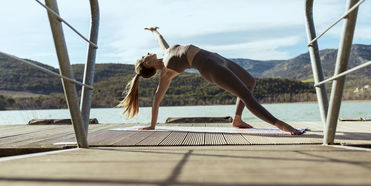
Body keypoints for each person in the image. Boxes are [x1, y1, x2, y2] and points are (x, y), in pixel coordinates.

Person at [118, 27, 303, 135]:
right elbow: (156, 99)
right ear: (148, 63)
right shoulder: (166, 71)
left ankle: (237, 120)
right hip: (211, 68)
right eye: (145, 56)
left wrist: (154, 31)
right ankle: (282, 126)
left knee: (250, 82)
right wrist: (152, 125)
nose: (147, 53)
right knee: (246, 95)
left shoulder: (166, 52)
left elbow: (160, 40)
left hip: (217, 58)